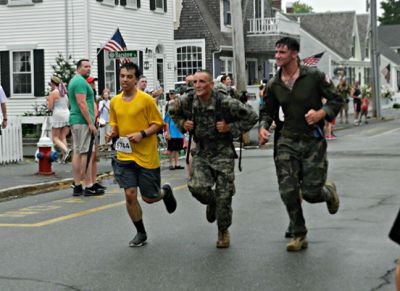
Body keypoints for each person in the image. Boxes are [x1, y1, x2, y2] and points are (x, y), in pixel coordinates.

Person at [259, 37, 343, 252]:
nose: (277, 56)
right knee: (288, 189)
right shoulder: (274, 84)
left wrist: (321, 113)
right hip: (287, 139)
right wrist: (263, 127)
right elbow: (267, 110)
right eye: (276, 52)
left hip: (312, 140)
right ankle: (299, 233)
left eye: (282, 52)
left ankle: (327, 192)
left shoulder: (314, 76)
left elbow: (337, 99)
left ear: (295, 54)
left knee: (311, 193)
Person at [169, 70, 258, 248]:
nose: (198, 86)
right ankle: (212, 202)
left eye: (202, 82)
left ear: (210, 84)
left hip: (223, 152)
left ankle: (223, 231)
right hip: (202, 151)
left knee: (225, 196)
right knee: (196, 187)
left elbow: (252, 116)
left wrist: (230, 128)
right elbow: (172, 110)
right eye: (195, 82)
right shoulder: (188, 100)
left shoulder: (224, 101)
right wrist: (182, 124)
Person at [105, 62, 177, 247]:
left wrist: (142, 134)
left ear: (136, 80)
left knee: (149, 198)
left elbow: (159, 124)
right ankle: (141, 232)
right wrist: (112, 133)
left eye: (129, 77)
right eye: (122, 76)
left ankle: (164, 192)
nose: (125, 80)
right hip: (125, 155)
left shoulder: (146, 100)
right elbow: (116, 125)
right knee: (130, 194)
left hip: (146, 156)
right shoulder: (114, 102)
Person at [68, 59, 104, 196]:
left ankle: (77, 185)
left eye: (89, 66)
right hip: (82, 121)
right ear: (78, 68)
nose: (88, 69)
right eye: (85, 67)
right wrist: (90, 122)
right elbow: (82, 103)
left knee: (77, 152)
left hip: (76, 120)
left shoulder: (76, 81)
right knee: (86, 152)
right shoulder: (80, 82)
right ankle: (89, 185)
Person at [47, 76, 72, 163]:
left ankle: (66, 150)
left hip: (58, 115)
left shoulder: (53, 93)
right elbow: (68, 105)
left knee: (55, 138)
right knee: (63, 136)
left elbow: (49, 107)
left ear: (53, 83)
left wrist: (48, 100)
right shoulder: (64, 92)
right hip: (66, 114)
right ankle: (65, 158)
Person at [164, 90, 184, 170]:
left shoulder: (180, 112)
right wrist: (168, 133)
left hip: (178, 133)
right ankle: (171, 164)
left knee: (177, 149)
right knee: (171, 149)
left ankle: (176, 164)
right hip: (172, 133)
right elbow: (167, 123)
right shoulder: (169, 112)